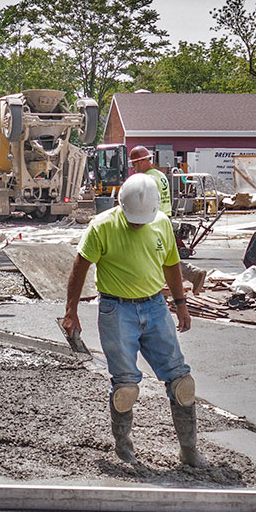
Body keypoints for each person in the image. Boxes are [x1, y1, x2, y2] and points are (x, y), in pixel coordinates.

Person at [62, 173, 203, 468]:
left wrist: (181, 304)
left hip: (155, 307)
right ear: (121, 204)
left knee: (181, 382)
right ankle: (124, 448)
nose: (139, 223)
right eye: (134, 218)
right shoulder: (102, 227)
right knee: (125, 387)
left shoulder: (161, 223)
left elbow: (172, 265)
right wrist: (71, 311)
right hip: (117, 310)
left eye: (143, 219)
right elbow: (80, 266)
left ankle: (189, 450)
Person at [128, 144, 206, 293]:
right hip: (164, 219)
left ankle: (190, 275)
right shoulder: (160, 175)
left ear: (142, 161)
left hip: (152, 221)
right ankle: (189, 276)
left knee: (152, 256)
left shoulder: (147, 179)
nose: (133, 168)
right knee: (161, 255)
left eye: (134, 164)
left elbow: (143, 203)